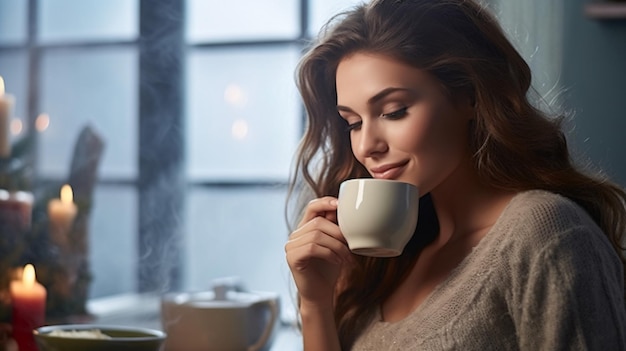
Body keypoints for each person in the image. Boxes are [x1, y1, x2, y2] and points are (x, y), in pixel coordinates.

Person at [283, 0, 626, 350]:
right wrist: (315, 303)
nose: (366, 145)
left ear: (469, 95)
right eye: (352, 124)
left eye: (394, 111)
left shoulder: (544, 233)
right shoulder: (389, 259)